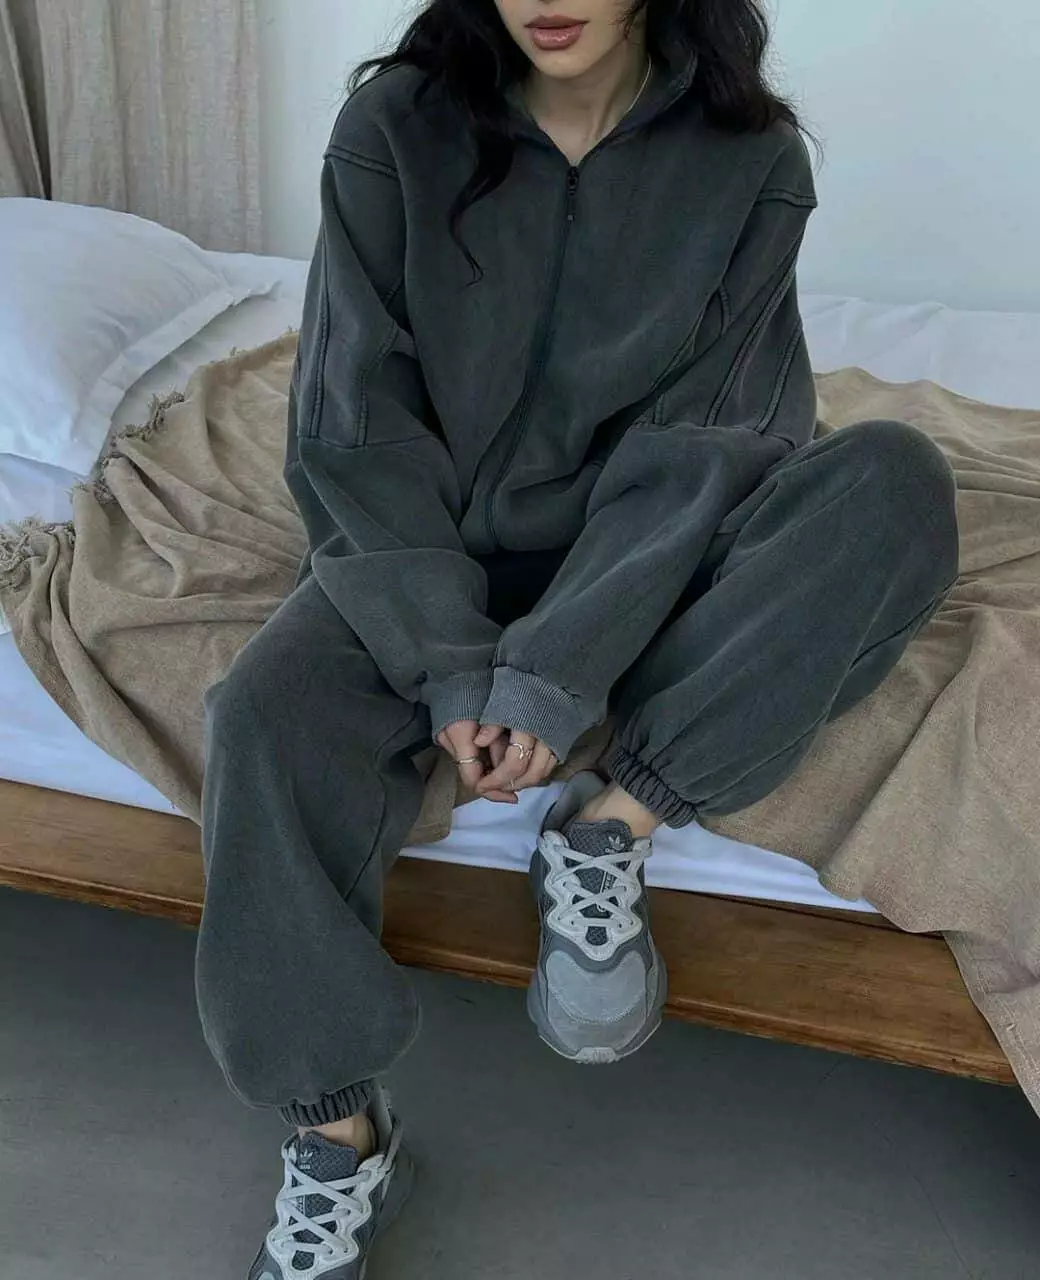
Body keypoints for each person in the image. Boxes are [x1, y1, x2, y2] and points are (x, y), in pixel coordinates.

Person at [196, 1, 960, 1275]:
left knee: (892, 479)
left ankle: (609, 826)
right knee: (259, 717)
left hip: (655, 549)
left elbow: (708, 443)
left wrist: (550, 675)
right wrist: (452, 663)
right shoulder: (394, 127)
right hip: (421, 543)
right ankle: (338, 1135)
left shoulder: (750, 158)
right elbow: (351, 419)